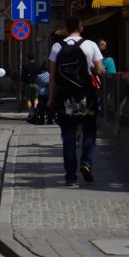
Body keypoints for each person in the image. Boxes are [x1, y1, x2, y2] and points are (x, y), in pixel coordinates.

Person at [48, 16, 104, 186]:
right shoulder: (91, 45)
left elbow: (53, 76)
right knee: (89, 130)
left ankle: (71, 177)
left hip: (65, 97)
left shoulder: (57, 46)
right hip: (86, 96)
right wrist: (93, 68)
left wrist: (51, 99)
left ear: (65, 28)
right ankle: (86, 162)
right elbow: (100, 71)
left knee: (68, 137)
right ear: (81, 27)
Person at [21, 53, 41, 122]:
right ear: (34, 58)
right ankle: (35, 108)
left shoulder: (25, 66)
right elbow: (40, 75)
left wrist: (22, 84)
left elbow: (23, 77)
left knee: (28, 99)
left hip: (28, 84)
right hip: (36, 83)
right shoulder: (38, 66)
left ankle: (30, 113)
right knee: (36, 98)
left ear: (28, 58)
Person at [35, 60, 54, 125]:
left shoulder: (39, 76)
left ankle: (42, 120)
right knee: (50, 107)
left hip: (42, 93)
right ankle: (50, 120)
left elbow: (37, 84)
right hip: (49, 93)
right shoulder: (51, 76)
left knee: (42, 107)